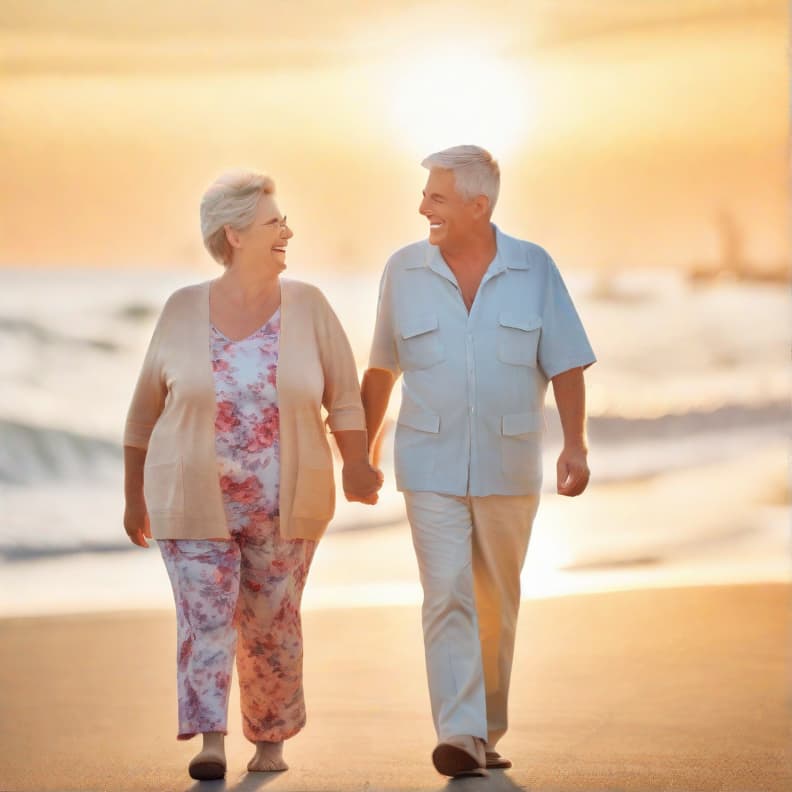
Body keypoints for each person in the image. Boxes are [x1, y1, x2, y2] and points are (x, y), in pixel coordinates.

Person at [123, 170, 382, 781]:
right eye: (273, 222)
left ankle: (270, 741)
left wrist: (359, 465)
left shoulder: (311, 305)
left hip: (284, 506)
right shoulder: (182, 308)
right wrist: (133, 498)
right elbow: (142, 415)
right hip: (189, 502)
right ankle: (211, 740)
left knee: (272, 625)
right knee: (206, 619)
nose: (286, 230)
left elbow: (344, 398)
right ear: (234, 235)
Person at [361, 145, 596, 778]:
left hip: (509, 461)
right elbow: (382, 364)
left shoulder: (533, 268)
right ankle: (460, 733)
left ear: (478, 205)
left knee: (496, 599)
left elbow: (567, 361)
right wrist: (360, 449)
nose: (422, 208)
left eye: (436, 197)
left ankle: (486, 729)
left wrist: (574, 443)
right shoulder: (402, 270)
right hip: (427, 461)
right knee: (446, 595)